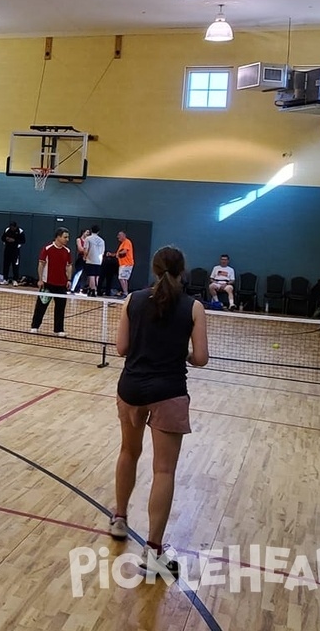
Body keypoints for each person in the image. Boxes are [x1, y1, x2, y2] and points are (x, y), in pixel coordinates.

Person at [110, 245, 209, 578]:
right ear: (183, 270)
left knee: (128, 451)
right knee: (164, 471)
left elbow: (122, 348)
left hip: (132, 388)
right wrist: (178, 354)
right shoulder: (193, 307)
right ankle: (153, 550)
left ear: (153, 270)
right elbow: (201, 358)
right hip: (169, 392)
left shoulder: (132, 300)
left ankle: (120, 518)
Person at [29, 227, 72, 336]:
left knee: (60, 308)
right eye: (65, 237)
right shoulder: (47, 249)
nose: (67, 239)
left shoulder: (67, 251)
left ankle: (59, 330)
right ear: (58, 237)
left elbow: (69, 266)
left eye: (67, 237)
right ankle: (35, 326)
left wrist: (69, 279)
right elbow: (41, 264)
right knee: (41, 307)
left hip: (61, 284)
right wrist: (40, 279)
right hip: (47, 284)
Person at [85, 225, 106, 296]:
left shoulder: (88, 239)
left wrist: (85, 257)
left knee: (91, 275)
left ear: (91, 230)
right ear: (98, 231)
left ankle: (93, 290)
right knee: (97, 276)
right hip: (99, 261)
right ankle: (96, 289)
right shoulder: (102, 241)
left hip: (90, 260)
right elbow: (102, 252)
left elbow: (86, 249)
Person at [115, 230, 135, 297]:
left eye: (119, 235)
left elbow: (124, 251)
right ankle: (125, 292)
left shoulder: (127, 242)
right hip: (123, 263)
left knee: (121, 278)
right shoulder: (122, 243)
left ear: (124, 235)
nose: (118, 237)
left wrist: (118, 253)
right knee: (124, 278)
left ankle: (125, 292)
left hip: (126, 263)